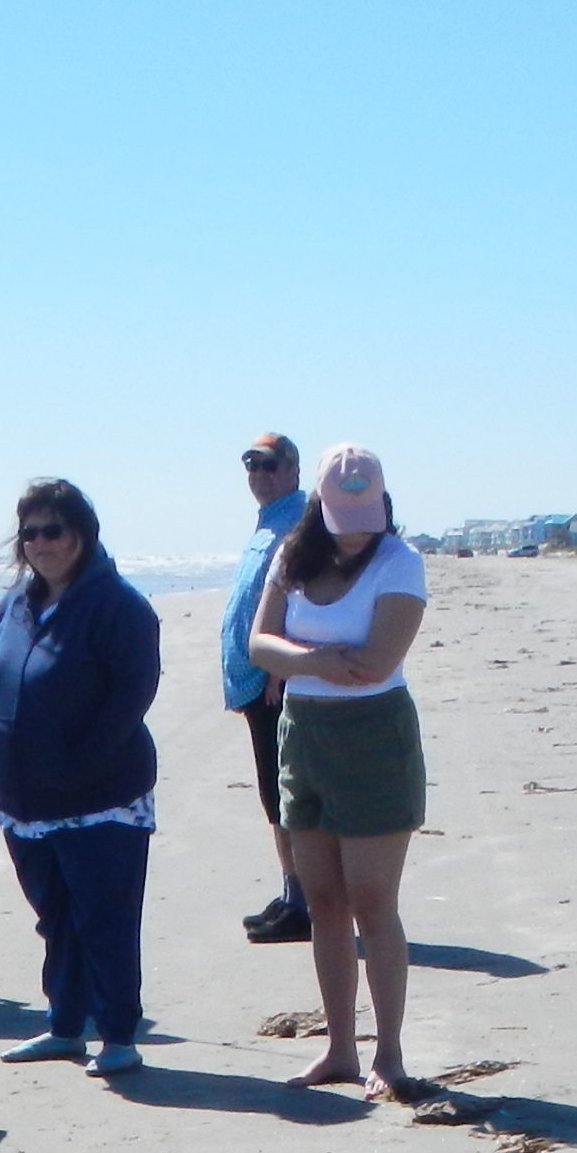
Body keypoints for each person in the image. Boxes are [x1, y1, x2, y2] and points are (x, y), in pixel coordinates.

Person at [247, 443, 429, 1097]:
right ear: (320, 507)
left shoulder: (399, 562)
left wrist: (300, 658)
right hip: (305, 736)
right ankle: (340, 1049)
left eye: (365, 513)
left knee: (373, 902)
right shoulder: (292, 558)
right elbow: (258, 643)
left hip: (375, 737)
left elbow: (378, 660)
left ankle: (391, 1053)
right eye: (342, 514)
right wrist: (320, 660)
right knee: (323, 901)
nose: (354, 530)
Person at [0, 478, 163, 1079]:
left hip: (100, 799)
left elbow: (133, 692)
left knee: (103, 916)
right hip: (23, 799)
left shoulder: (118, 605)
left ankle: (117, 1035)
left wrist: (81, 759)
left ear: (81, 534)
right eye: (29, 533)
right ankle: (63, 1026)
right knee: (53, 916)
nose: (40, 543)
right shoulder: (15, 605)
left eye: (52, 530)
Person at [227, 433, 312, 945]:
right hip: (256, 681)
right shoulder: (270, 522)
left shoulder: (298, 523)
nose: (258, 474)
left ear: (293, 471)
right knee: (271, 795)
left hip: (273, 684)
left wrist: (279, 670)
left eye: (268, 465)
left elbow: (299, 600)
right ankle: (292, 894)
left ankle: (302, 903)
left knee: (283, 796)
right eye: (251, 465)